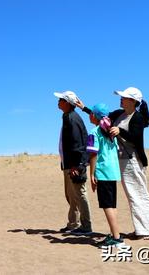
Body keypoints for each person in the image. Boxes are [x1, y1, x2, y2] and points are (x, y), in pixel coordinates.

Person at [77, 87, 149, 240]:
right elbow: (102, 119)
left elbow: (136, 138)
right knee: (132, 195)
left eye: (124, 97)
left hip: (132, 161)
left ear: (132, 101)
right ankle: (142, 229)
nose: (121, 99)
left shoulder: (137, 117)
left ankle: (146, 231)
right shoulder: (119, 114)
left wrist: (121, 131)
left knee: (137, 194)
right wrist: (84, 108)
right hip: (121, 161)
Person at [84, 102, 126, 248]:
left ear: (94, 116)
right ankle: (115, 235)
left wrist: (92, 174)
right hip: (113, 172)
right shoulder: (110, 132)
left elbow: (93, 154)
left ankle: (117, 238)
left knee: (107, 205)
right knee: (112, 205)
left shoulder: (94, 132)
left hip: (103, 172)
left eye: (91, 113)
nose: (89, 115)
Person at [54, 91, 92, 235]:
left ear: (68, 103)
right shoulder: (68, 117)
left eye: (61, 99)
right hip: (69, 164)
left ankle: (86, 226)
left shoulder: (72, 118)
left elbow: (78, 144)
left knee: (79, 194)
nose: (58, 101)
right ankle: (73, 223)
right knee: (71, 195)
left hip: (75, 164)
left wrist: (78, 165)